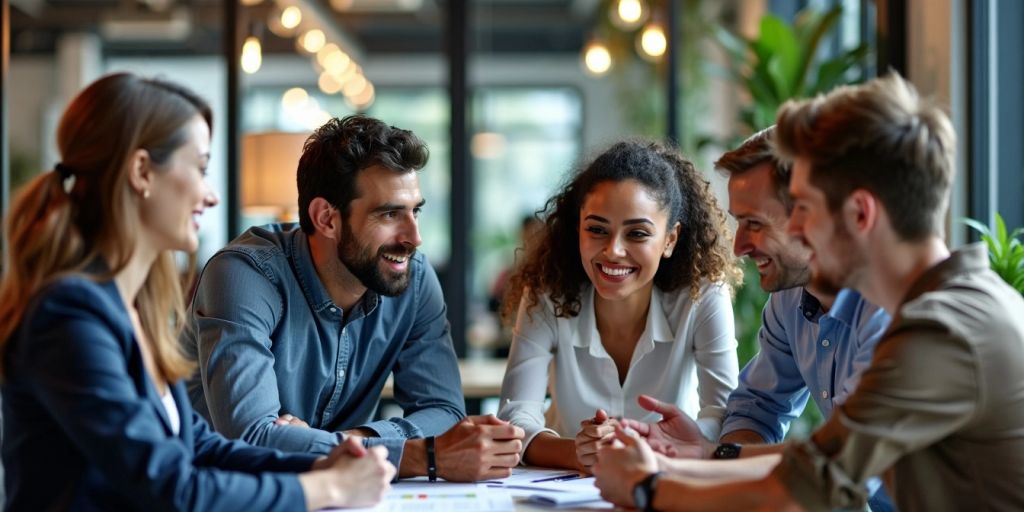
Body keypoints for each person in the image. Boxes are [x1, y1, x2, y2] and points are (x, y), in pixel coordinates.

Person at [592, 72, 1024, 511]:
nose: (797, 229)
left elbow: (804, 492)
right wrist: (685, 463)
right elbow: (816, 465)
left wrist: (648, 488)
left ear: (860, 213)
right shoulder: (944, 308)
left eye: (804, 209)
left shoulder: (942, 330)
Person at [0, 73, 394, 511]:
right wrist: (330, 488)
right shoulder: (69, 317)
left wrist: (317, 465)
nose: (211, 196)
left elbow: (198, 445)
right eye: (201, 168)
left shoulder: (128, 309)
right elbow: (172, 488)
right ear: (142, 171)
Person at [185, 114, 523, 482]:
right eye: (390, 213)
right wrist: (419, 456)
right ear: (326, 219)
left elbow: (443, 410)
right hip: (220, 493)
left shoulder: (415, 279)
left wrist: (350, 442)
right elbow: (250, 438)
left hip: (340, 495)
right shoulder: (243, 276)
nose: (415, 237)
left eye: (415, 211)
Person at [618, 128, 892, 509]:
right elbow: (759, 408)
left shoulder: (891, 308)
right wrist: (710, 453)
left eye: (755, 224)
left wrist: (696, 467)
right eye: (738, 222)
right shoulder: (791, 300)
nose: (738, 245)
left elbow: (838, 464)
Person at [497, 140, 741, 472]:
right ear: (578, 228)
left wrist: (669, 445)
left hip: (671, 479)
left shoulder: (703, 295)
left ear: (670, 239)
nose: (613, 250)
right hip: (566, 485)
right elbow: (515, 415)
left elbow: (724, 415)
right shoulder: (546, 292)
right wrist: (578, 453)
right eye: (597, 229)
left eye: (637, 234)